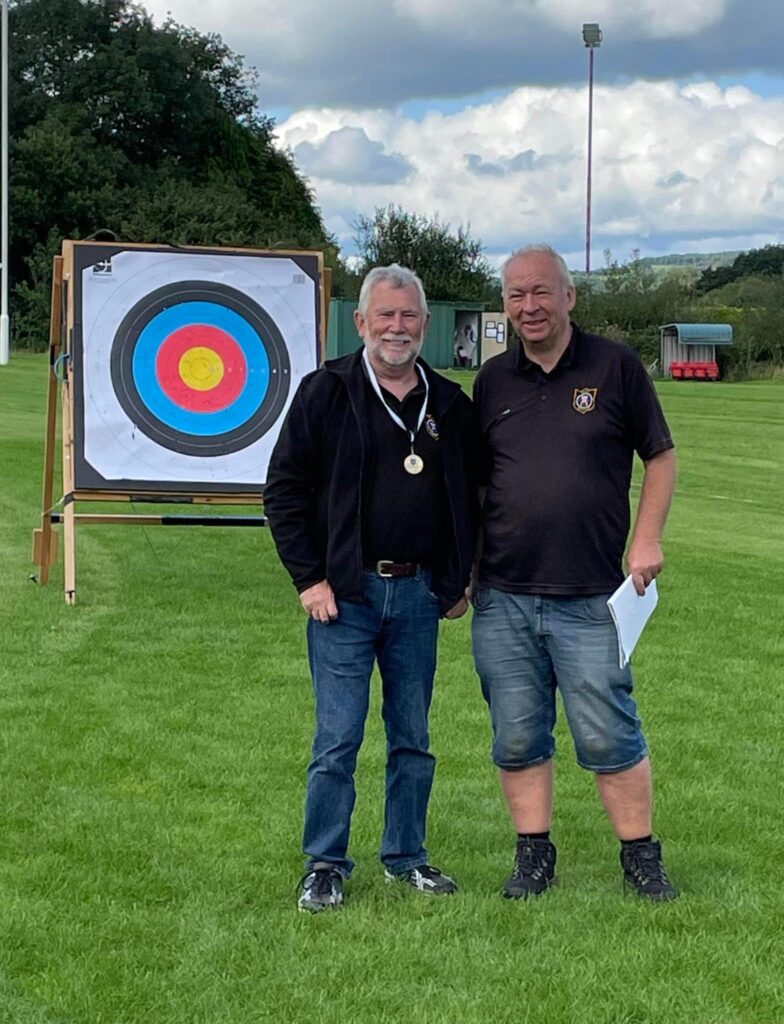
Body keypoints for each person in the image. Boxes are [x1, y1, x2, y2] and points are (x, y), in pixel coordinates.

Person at [264, 264, 478, 913]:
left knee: (413, 736)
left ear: (425, 323)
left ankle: (406, 856)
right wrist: (309, 579)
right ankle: (325, 862)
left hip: (417, 597)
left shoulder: (448, 403)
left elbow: (472, 497)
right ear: (361, 323)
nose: (397, 327)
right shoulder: (325, 391)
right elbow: (284, 491)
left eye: (408, 315)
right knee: (339, 737)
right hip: (346, 596)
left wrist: (460, 576)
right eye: (384, 315)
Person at [471, 244, 678, 902]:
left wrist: (646, 540)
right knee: (516, 731)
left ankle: (641, 857)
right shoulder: (492, 381)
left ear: (569, 298)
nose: (528, 306)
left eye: (540, 292)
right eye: (515, 295)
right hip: (502, 595)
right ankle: (534, 857)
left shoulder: (615, 367)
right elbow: (477, 483)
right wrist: (466, 571)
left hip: (592, 595)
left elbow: (662, 458)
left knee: (608, 728)